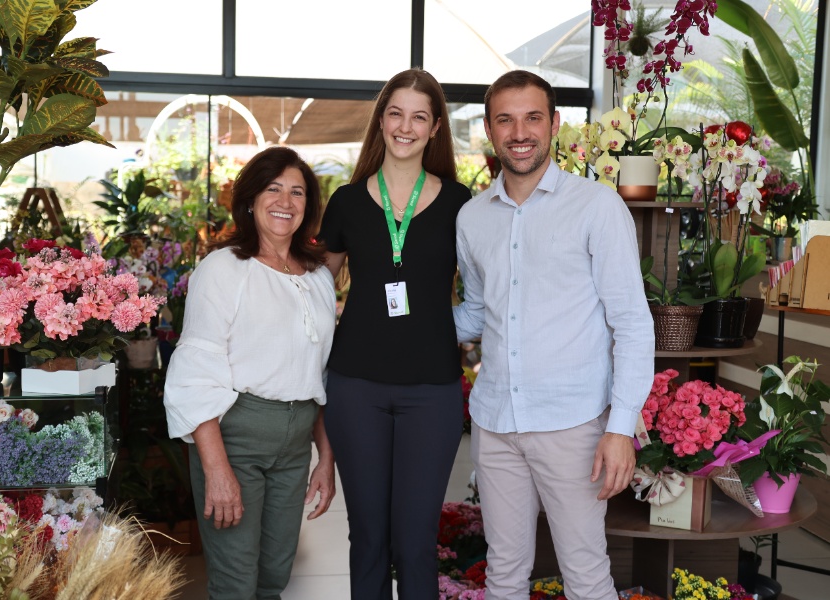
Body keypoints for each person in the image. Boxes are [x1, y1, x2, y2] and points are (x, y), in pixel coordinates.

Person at [453, 70, 654, 600]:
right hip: (496, 422)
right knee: (503, 571)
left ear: (555, 124)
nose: (520, 132)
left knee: (585, 573)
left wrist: (620, 428)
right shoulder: (472, 218)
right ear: (489, 130)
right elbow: (477, 314)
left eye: (532, 118)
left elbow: (632, 323)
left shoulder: (596, 206)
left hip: (573, 425)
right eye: (505, 120)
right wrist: (395, 324)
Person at [319, 68, 472, 599]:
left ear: (435, 128)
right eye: (396, 113)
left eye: (419, 117)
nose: (406, 127)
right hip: (355, 387)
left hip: (433, 390)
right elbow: (315, 289)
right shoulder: (346, 201)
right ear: (381, 120)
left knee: (415, 542)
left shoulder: (460, 203)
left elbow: (487, 291)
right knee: (368, 538)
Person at [163, 146, 337, 600]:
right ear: (251, 199)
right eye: (273, 189)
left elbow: (319, 375)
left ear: (309, 205)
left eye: (297, 192)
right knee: (236, 583)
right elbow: (195, 373)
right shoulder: (223, 269)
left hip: (295, 447)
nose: (285, 201)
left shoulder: (318, 277)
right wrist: (216, 469)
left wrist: (326, 458)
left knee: (274, 577)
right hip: (235, 441)